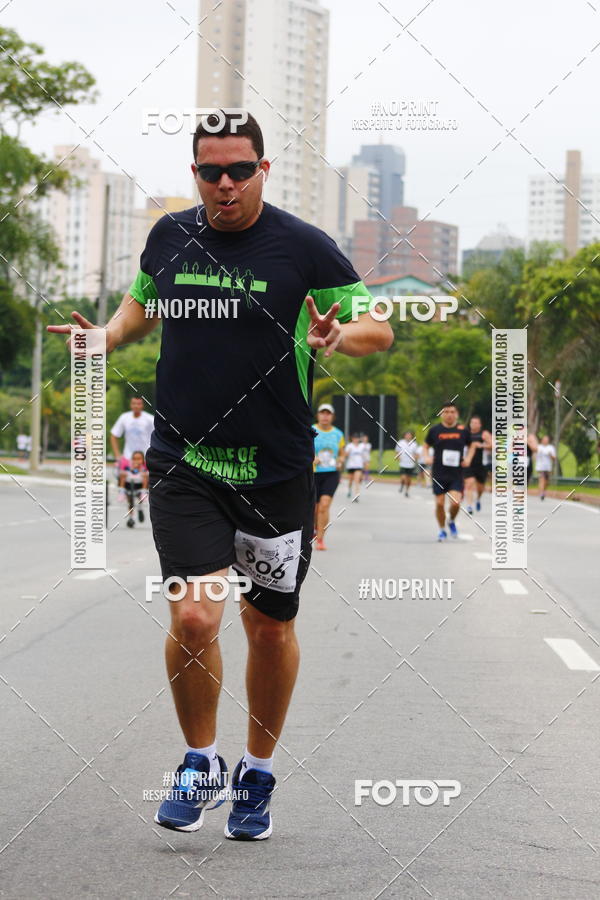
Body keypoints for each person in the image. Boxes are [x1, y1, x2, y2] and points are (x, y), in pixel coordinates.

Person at [48, 111, 393, 840]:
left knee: (267, 628)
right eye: (211, 171)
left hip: (275, 470)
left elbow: (378, 328)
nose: (226, 183)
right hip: (185, 459)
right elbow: (143, 306)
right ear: (196, 173)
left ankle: (257, 774)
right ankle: (199, 760)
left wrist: (338, 333)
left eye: (240, 169)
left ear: (264, 169)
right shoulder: (171, 236)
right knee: (198, 615)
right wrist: (104, 336)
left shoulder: (304, 248)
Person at [424, 403, 472, 541]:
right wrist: (426, 456)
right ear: (442, 414)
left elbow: (472, 445)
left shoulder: (463, 430)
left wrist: (468, 458)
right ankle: (441, 529)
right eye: (446, 412)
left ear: (456, 414)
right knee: (439, 503)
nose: (449, 414)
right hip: (439, 473)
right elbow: (426, 446)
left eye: (452, 412)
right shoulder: (434, 430)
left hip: (456, 474)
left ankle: (451, 520)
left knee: (456, 503)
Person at [312, 403, 345, 551]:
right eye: (322, 413)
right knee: (314, 508)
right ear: (318, 415)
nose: (325, 416)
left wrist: (341, 460)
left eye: (328, 413)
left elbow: (342, 453)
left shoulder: (338, 434)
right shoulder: (311, 430)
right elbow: (303, 448)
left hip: (331, 473)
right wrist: (311, 458)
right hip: (313, 473)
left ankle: (320, 539)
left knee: (324, 506)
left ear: (332, 416)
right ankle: (314, 528)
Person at [110, 397, 154, 482]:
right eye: (134, 403)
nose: (136, 406)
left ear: (142, 405)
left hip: (145, 458)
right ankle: (122, 493)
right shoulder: (124, 417)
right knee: (124, 479)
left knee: (146, 481)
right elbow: (114, 435)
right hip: (128, 457)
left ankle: (144, 494)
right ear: (131, 405)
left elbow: (158, 434)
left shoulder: (150, 419)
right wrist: (117, 455)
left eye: (138, 404)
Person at [463, 415, 492, 514]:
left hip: (481, 464)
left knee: (480, 488)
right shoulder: (466, 434)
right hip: (469, 463)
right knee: (469, 483)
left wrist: (482, 445)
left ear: (480, 425)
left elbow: (493, 446)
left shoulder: (484, 434)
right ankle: (469, 506)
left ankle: (478, 499)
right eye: (472, 423)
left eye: (476, 423)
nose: (473, 425)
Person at [118, 450, 149, 528]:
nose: (136, 461)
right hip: (129, 485)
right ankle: (131, 517)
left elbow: (148, 475)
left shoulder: (144, 467)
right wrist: (126, 471)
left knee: (145, 476)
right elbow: (122, 473)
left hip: (140, 486)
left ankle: (143, 495)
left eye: (139, 459)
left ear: (142, 460)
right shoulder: (129, 466)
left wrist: (142, 471)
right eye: (134, 459)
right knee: (130, 502)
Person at [394, 431, 417, 497]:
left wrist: (415, 458)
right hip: (403, 464)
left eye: (409, 435)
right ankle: (402, 484)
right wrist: (398, 458)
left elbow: (416, 454)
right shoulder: (400, 442)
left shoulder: (414, 444)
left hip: (410, 464)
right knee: (403, 478)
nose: (408, 436)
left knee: (409, 480)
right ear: (404, 436)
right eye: (407, 435)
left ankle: (407, 491)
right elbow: (396, 451)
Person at [345, 433, 365, 501]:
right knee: (350, 480)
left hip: (359, 466)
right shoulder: (349, 446)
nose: (356, 440)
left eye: (357, 438)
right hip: (351, 466)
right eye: (354, 438)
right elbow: (345, 455)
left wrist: (364, 463)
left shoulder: (362, 446)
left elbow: (363, 455)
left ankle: (356, 495)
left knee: (357, 480)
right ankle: (349, 490)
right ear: (352, 439)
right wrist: (348, 452)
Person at [535, 434, 556, 500]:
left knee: (546, 481)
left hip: (547, 467)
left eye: (547, 440)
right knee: (542, 479)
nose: (545, 441)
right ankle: (541, 493)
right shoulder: (538, 447)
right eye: (544, 439)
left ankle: (543, 491)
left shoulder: (551, 448)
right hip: (540, 467)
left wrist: (550, 455)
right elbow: (534, 455)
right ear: (542, 440)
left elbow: (554, 458)